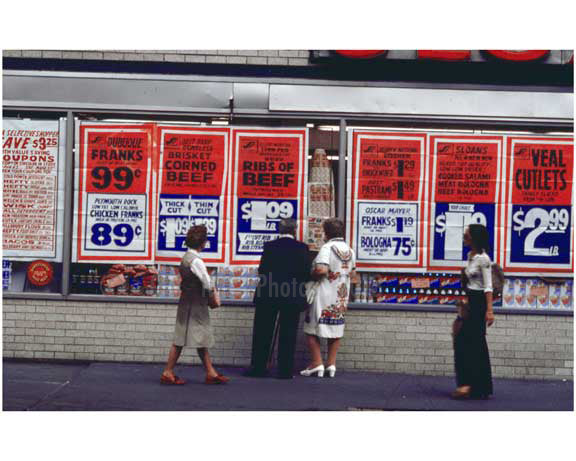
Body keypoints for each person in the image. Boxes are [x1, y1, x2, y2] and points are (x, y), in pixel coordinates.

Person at [161, 225, 229, 385]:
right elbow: (206, 282)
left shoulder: (186, 257)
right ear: (202, 243)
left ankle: (209, 372)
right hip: (196, 303)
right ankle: (168, 372)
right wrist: (213, 297)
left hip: (187, 301)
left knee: (191, 337)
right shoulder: (197, 260)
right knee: (193, 336)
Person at [244, 218, 311, 379]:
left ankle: (258, 368)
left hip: (268, 293)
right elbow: (305, 274)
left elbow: (263, 269)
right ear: (294, 230)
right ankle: (285, 370)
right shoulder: (302, 248)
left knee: (263, 331)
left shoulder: (269, 246)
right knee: (288, 332)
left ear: (279, 230)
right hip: (291, 294)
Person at [301, 218, 355, 378]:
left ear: (327, 232)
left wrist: (309, 274)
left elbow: (321, 269)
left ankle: (317, 363)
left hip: (324, 294)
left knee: (311, 328)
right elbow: (354, 274)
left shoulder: (327, 248)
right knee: (336, 329)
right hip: (340, 296)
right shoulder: (349, 250)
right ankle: (331, 364)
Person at [452, 224, 494, 399]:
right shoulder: (471, 257)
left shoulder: (484, 259)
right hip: (469, 301)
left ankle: (475, 386)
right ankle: (467, 383)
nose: (464, 237)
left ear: (474, 238)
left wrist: (489, 311)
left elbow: (487, 286)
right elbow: (470, 284)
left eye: (467, 235)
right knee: (461, 340)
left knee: (475, 344)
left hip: (479, 305)